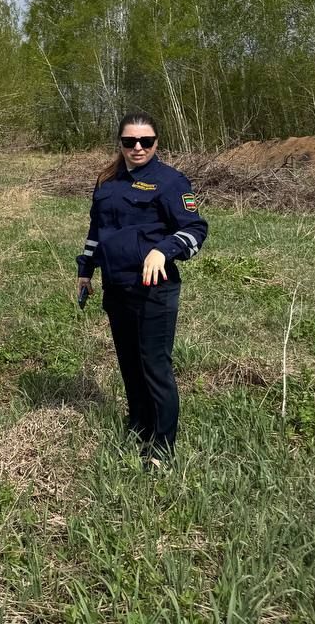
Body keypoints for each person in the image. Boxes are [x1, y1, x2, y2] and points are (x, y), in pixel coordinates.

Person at [76, 111, 207, 463]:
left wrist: (162, 251)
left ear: (156, 143)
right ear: (120, 143)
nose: (137, 147)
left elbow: (195, 230)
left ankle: (162, 448)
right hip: (116, 287)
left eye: (145, 141)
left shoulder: (170, 182)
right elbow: (96, 231)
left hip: (154, 290)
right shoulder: (108, 181)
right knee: (129, 363)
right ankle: (138, 426)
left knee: (154, 367)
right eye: (130, 141)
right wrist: (85, 269)